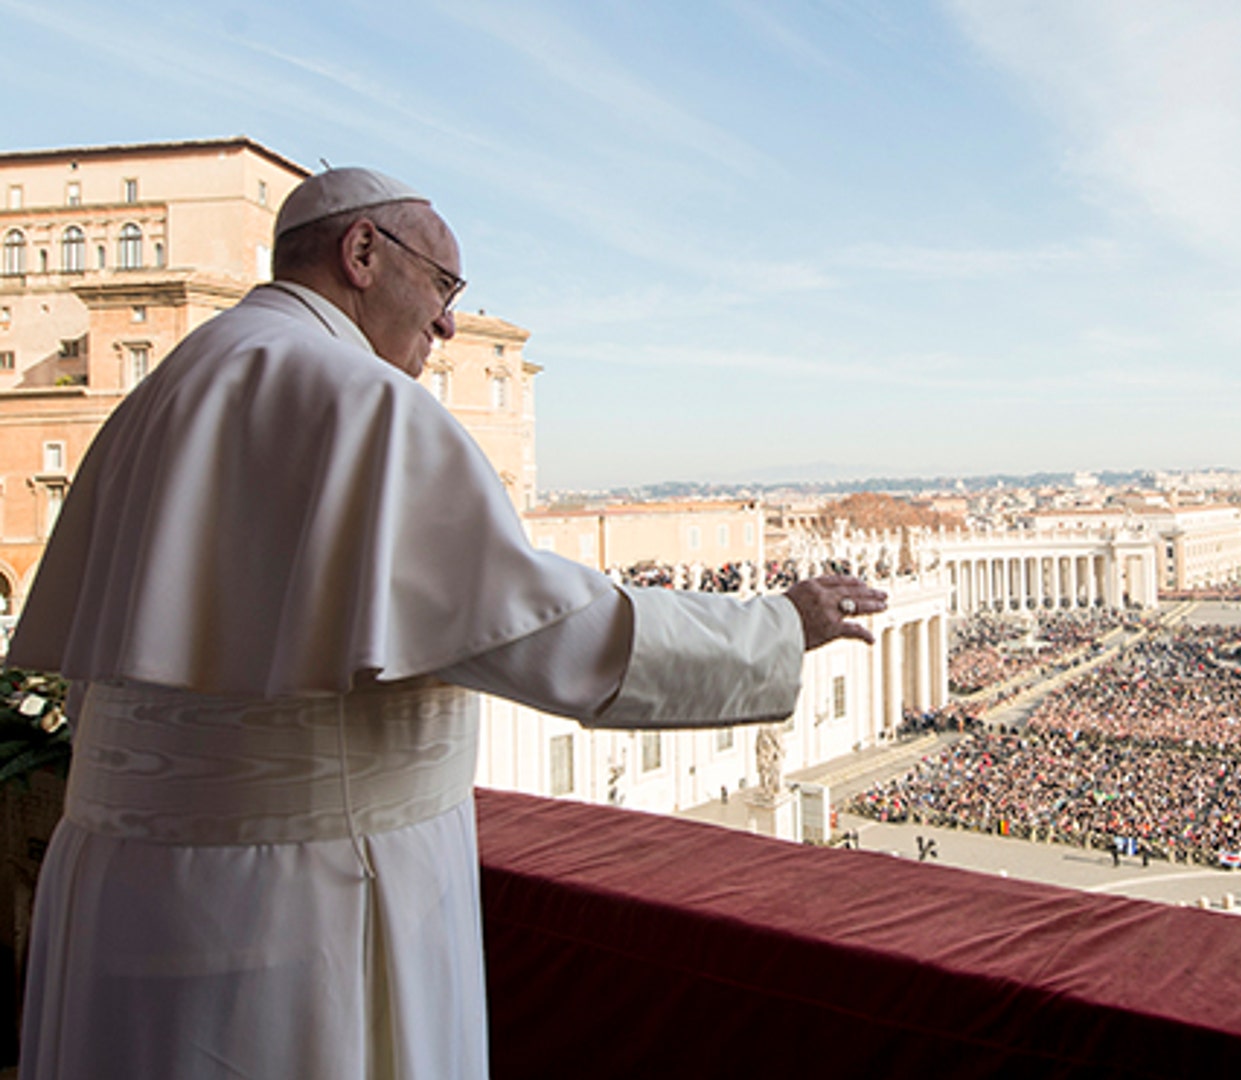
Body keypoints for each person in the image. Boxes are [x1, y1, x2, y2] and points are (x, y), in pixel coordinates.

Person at [5, 167, 888, 1079]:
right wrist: (777, 627)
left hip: (121, 887)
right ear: (361, 254)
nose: (449, 323)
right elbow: (543, 632)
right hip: (303, 900)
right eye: (443, 285)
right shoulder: (360, 399)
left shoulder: (162, 393)